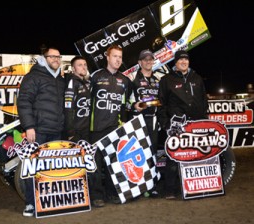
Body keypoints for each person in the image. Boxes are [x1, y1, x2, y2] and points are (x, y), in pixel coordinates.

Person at [17, 46, 65, 217]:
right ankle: (30, 203)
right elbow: (24, 102)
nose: (56, 60)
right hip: (38, 131)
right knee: (33, 168)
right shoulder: (33, 77)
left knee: (51, 169)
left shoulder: (60, 79)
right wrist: (29, 127)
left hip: (56, 131)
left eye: (59, 57)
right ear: (44, 59)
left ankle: (47, 201)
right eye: (52, 57)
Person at [157, 50, 209, 199]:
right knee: (173, 158)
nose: (184, 62)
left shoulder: (197, 78)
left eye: (186, 59)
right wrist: (166, 124)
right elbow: (161, 104)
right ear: (176, 62)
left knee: (196, 155)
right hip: (176, 127)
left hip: (197, 125)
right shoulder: (167, 80)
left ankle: (195, 187)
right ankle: (170, 190)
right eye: (181, 60)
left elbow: (204, 100)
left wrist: (205, 119)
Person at [89, 44, 131, 207]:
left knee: (113, 164)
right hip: (95, 127)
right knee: (96, 164)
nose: (118, 60)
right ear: (107, 57)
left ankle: (113, 193)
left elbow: (125, 105)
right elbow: (86, 101)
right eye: (115, 56)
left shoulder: (125, 80)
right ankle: (97, 195)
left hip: (115, 128)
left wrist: (124, 122)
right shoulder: (96, 76)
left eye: (120, 57)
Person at [129, 49, 164, 197]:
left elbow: (162, 101)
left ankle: (151, 185)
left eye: (150, 59)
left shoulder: (158, 79)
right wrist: (133, 106)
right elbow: (127, 101)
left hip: (154, 120)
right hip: (138, 121)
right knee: (138, 154)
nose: (148, 62)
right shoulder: (133, 79)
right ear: (139, 62)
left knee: (152, 153)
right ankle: (137, 185)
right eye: (145, 59)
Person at [64, 55, 91, 142]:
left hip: (86, 130)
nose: (84, 67)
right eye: (80, 65)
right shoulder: (72, 82)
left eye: (85, 64)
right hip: (76, 132)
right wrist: (70, 132)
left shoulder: (87, 83)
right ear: (73, 68)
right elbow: (68, 108)